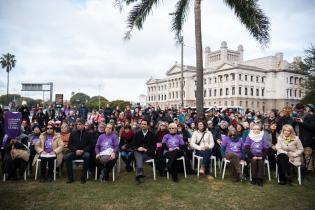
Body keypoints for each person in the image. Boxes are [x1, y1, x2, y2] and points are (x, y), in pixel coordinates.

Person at [64, 119, 91, 184]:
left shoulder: (88, 134)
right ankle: (70, 177)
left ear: (84, 125)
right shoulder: (73, 133)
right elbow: (69, 145)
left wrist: (83, 150)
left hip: (84, 151)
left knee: (87, 156)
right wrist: (76, 150)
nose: (78, 126)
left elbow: (90, 145)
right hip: (74, 151)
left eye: (80, 124)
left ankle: (83, 177)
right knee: (67, 157)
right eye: (77, 124)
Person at [131, 119, 156, 184]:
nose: (143, 125)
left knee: (139, 157)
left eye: (145, 124)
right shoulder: (136, 134)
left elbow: (154, 146)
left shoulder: (152, 135)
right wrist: (138, 148)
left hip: (148, 154)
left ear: (147, 126)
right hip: (138, 152)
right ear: (140, 125)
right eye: (142, 124)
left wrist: (146, 149)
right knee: (137, 153)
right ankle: (140, 174)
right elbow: (133, 145)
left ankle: (139, 174)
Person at [292, 103, 315, 173]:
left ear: (303, 109)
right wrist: (294, 121)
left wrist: (303, 122)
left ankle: (309, 170)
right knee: (300, 155)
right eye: (297, 110)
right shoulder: (297, 116)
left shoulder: (309, 116)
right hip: (299, 139)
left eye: (299, 110)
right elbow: (292, 126)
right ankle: (302, 169)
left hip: (307, 139)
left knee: (307, 155)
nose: (298, 112)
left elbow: (312, 127)